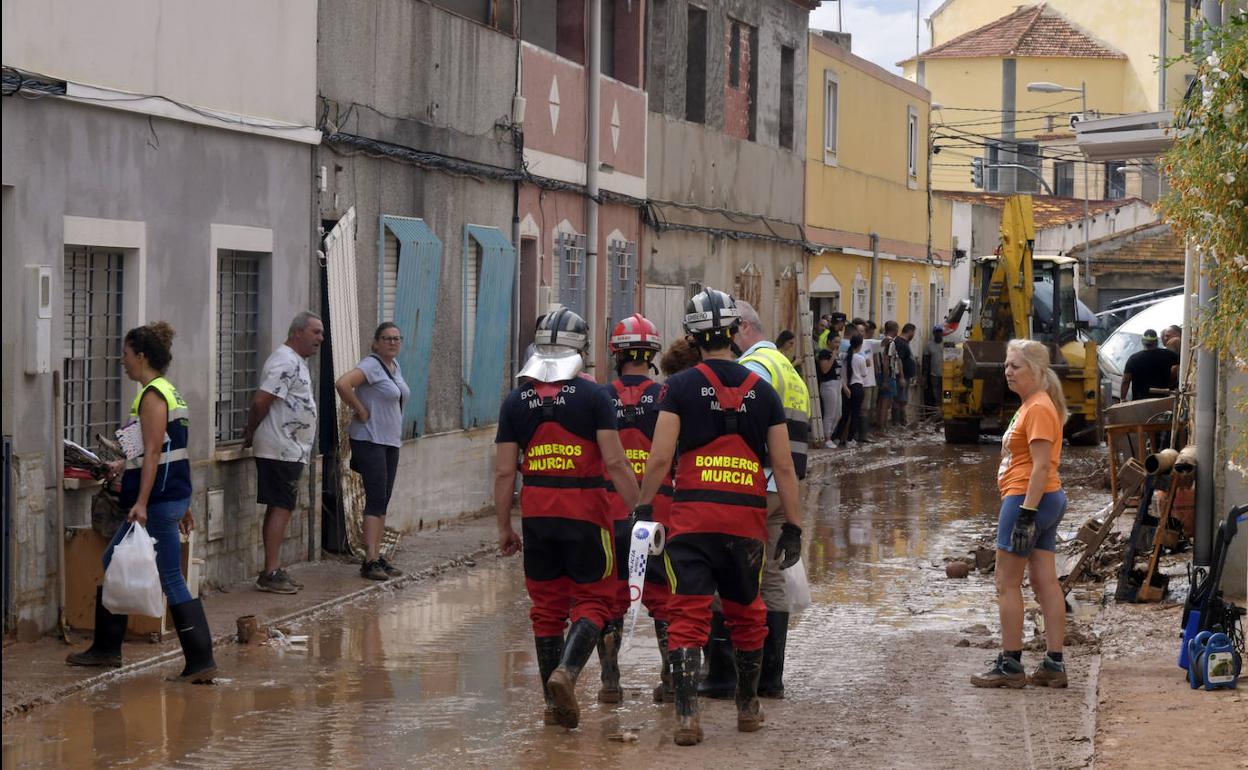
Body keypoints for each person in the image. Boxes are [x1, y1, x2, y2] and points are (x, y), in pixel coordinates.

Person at [632, 288, 803, 746]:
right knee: (748, 612)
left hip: (692, 521)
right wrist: (793, 524)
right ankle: (748, 707)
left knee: (688, 613)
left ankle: (688, 717)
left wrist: (644, 508)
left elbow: (660, 458)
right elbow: (783, 466)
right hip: (745, 521)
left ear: (693, 336)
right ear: (733, 332)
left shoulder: (678, 387)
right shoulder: (763, 392)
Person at [494, 308, 640, 729]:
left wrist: (504, 527)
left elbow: (505, 472)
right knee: (595, 600)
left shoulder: (514, 401)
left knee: (547, 608)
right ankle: (568, 673)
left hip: (537, 516)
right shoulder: (595, 397)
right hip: (588, 516)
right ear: (581, 350)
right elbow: (615, 462)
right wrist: (639, 509)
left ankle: (554, 705)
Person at [67, 322, 217, 683]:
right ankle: (106, 649)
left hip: (159, 501)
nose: (123, 361)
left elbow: (153, 453)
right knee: (113, 559)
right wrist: (122, 466)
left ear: (141, 355)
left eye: (126, 354)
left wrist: (143, 503)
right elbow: (169, 452)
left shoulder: (152, 396)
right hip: (171, 497)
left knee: (170, 578)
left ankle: (200, 661)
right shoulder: (167, 392)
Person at [709, 300, 809, 700]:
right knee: (770, 577)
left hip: (753, 482)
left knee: (724, 568)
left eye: (729, 333)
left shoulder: (755, 368)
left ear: (743, 329)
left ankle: (721, 677)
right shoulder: (786, 367)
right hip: (781, 485)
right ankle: (770, 679)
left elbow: (738, 426)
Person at [972, 339, 1069, 689]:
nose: (1007, 371)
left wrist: (1026, 514)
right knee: (1044, 582)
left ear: (1037, 371)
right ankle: (1053, 664)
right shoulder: (1032, 404)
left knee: (1005, 583)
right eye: (1007, 365)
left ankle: (1011, 663)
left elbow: (1041, 466)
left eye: (1015, 366)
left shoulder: (1039, 407)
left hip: (1029, 498)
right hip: (1041, 498)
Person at [598, 313, 673, 704]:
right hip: (658, 510)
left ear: (616, 354)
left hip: (608, 511)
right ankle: (671, 679)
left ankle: (610, 685)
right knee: (663, 595)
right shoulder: (666, 397)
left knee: (608, 596)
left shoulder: (600, 397)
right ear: (652, 354)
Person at [244, 311, 323, 594]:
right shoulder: (285, 361)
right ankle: (270, 571)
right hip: (280, 447)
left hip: (290, 448)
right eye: (316, 332)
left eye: (322, 334)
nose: (320, 339)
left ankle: (272, 569)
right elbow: (262, 401)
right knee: (282, 506)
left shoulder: (296, 362)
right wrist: (250, 430)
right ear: (297, 332)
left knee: (282, 506)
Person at [335, 322, 411, 581]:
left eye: (397, 338)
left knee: (383, 500)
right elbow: (343, 383)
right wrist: (360, 409)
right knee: (376, 498)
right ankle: (369, 560)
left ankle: (377, 556)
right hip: (370, 439)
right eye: (387, 338)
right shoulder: (371, 365)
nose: (392, 342)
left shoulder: (395, 367)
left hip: (390, 441)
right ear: (376, 342)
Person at [1121, 329, 1179, 401]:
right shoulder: (1168, 355)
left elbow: (1126, 380)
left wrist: (1123, 398)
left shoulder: (1133, 359)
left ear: (1142, 342)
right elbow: (1183, 363)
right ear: (1156, 342)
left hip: (1140, 403)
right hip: (1162, 401)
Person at [833, 334, 867, 448]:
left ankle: (837, 438)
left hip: (846, 387)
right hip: (857, 386)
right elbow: (864, 374)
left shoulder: (843, 356)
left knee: (845, 414)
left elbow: (841, 372)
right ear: (860, 345)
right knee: (855, 414)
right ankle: (850, 439)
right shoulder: (860, 358)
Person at [817, 332, 843, 449]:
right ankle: (826, 437)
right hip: (828, 384)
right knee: (830, 413)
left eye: (839, 342)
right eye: (835, 342)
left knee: (838, 413)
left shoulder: (837, 354)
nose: (837, 344)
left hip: (837, 384)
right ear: (829, 342)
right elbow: (825, 370)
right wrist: (833, 355)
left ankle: (830, 434)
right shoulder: (824, 353)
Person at [875, 321, 899, 431]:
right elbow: (886, 360)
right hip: (888, 375)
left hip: (880, 374)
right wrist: (885, 380)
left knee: (881, 401)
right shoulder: (890, 342)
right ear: (894, 330)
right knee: (886, 402)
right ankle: (882, 427)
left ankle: (880, 425)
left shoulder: (879, 339)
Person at [893, 323, 917, 426]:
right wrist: (902, 377)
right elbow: (899, 361)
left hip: (906, 376)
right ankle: (897, 423)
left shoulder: (904, 342)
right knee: (899, 399)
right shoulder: (900, 343)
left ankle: (902, 422)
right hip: (901, 377)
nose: (914, 335)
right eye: (914, 332)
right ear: (910, 331)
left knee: (903, 400)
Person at [923, 326, 945, 415]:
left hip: (947, 376)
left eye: (940, 332)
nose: (939, 334)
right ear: (934, 333)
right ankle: (937, 415)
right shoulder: (929, 345)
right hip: (934, 375)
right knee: (936, 396)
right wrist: (924, 375)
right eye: (937, 332)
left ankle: (946, 412)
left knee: (947, 395)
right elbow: (926, 361)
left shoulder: (947, 344)